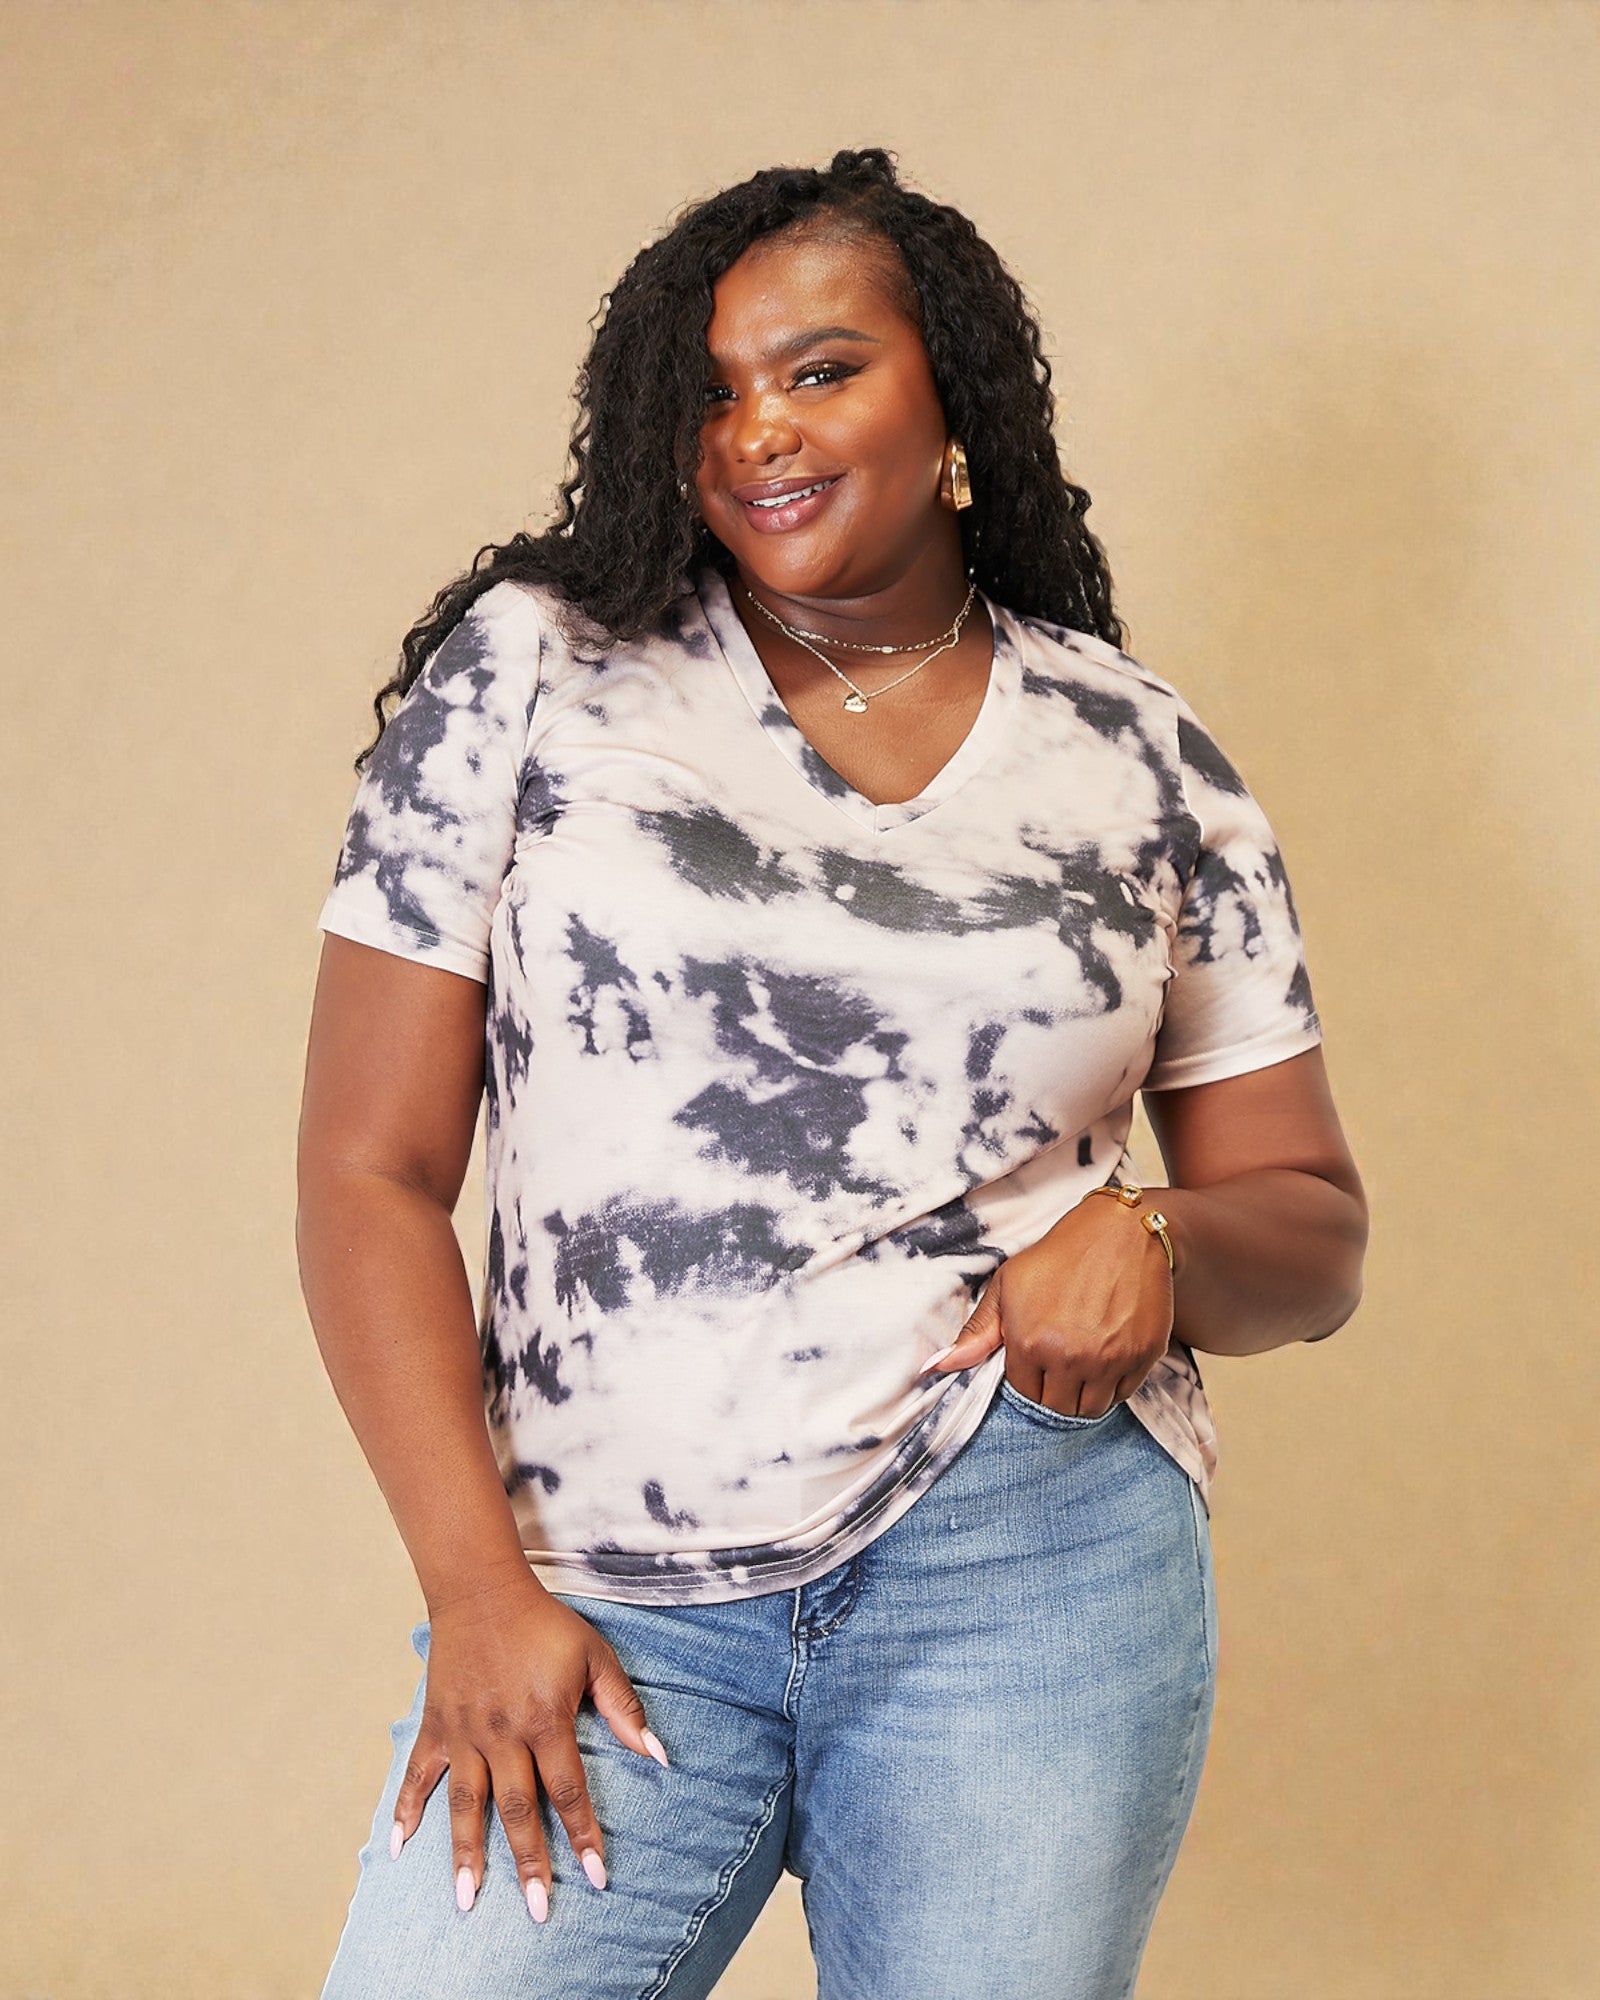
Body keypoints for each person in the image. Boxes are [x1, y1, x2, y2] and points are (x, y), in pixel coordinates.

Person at [297, 146, 1368, 2000]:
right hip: (604, 1584)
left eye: (817, 370)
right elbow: (367, 1171)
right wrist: (478, 1591)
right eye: (706, 396)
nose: (756, 434)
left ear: (948, 392)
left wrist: (1159, 1239)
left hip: (1024, 1561)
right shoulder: (544, 673)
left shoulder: (1142, 756)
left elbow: (1316, 1229)